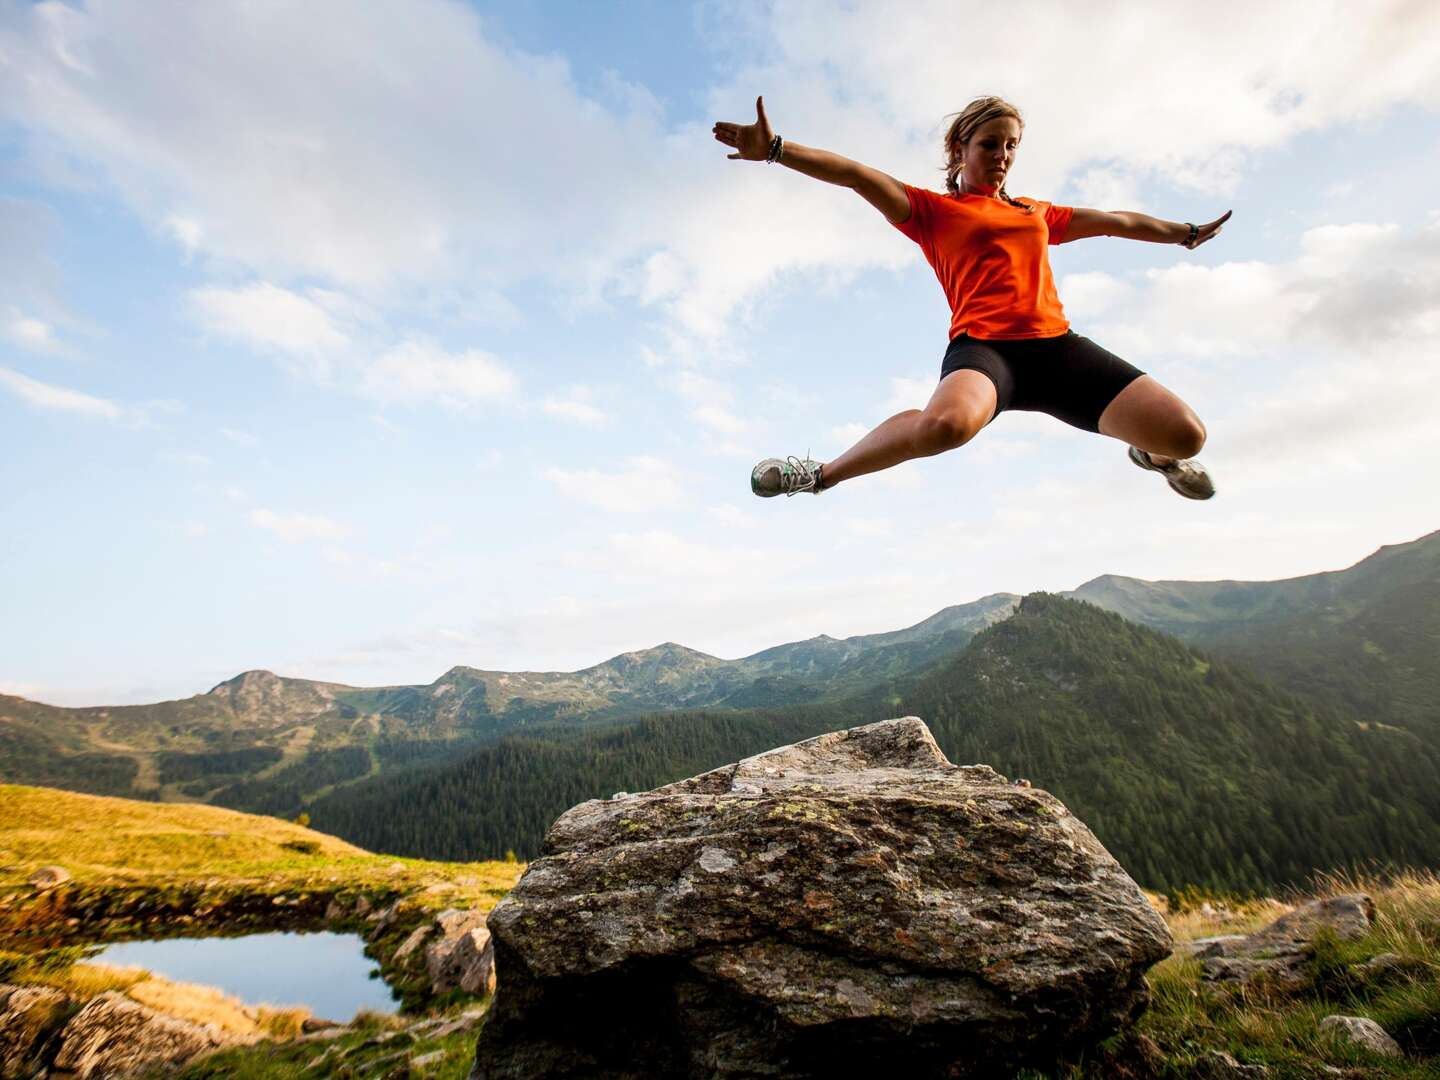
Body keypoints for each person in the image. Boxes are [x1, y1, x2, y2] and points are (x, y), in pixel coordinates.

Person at [711, 95, 1230, 501]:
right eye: (990, 144)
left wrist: (1181, 232)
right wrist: (778, 150)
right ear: (959, 149)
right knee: (946, 426)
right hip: (986, 353)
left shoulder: (1035, 212)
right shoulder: (931, 212)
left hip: (1058, 350)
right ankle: (818, 475)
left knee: (1186, 436)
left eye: (1011, 146)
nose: (1002, 156)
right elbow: (854, 175)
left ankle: (1157, 458)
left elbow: (1116, 222)